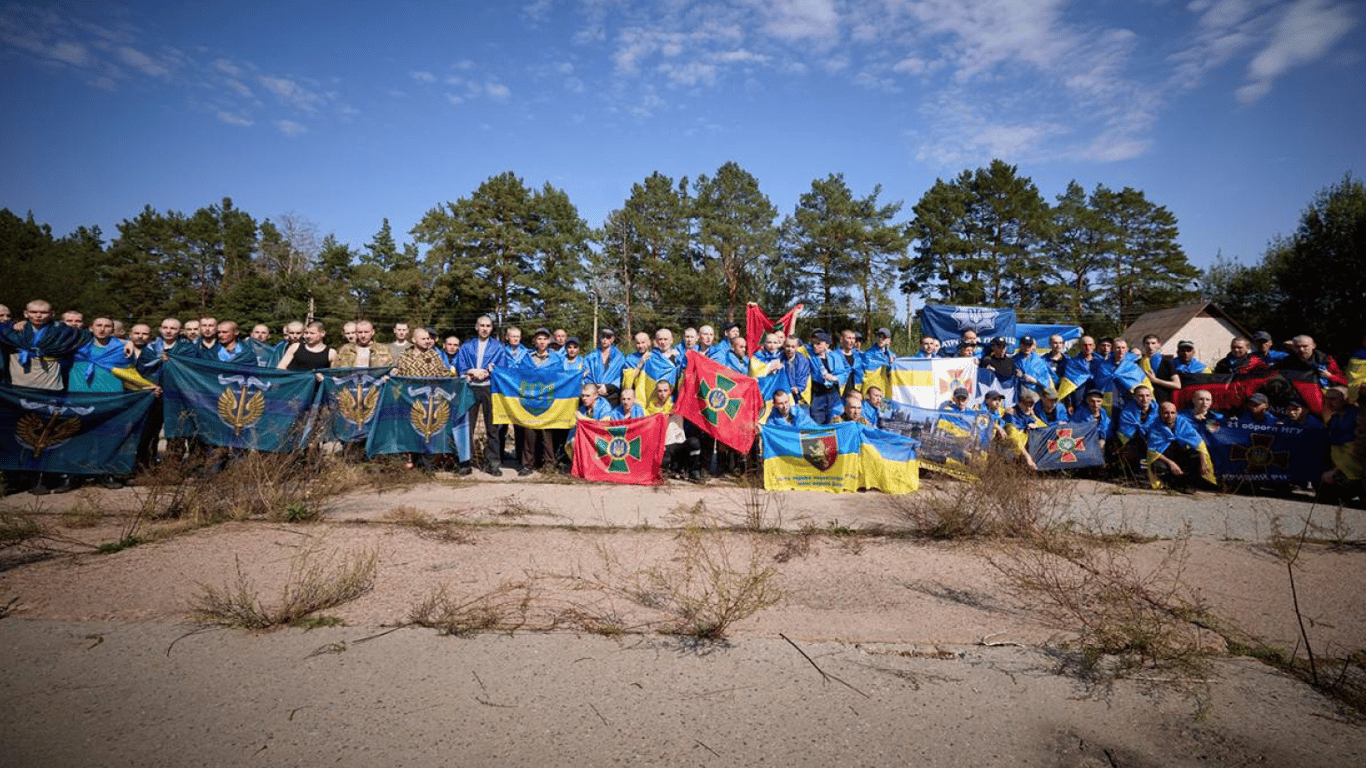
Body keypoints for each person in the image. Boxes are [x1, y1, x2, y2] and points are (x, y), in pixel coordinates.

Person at [454, 315, 509, 477]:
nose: (485, 328)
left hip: (489, 388)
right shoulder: (467, 346)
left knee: (493, 428)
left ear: (492, 328)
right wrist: (472, 371)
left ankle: (492, 463)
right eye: (482, 325)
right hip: (470, 388)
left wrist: (491, 370)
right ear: (476, 327)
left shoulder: (498, 347)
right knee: (466, 426)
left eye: (488, 326)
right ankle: (465, 462)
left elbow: (502, 367)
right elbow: (460, 365)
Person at [0, 299, 90, 391]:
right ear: (26, 314)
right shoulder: (10, 331)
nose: (38, 315)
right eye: (33, 312)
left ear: (52, 314)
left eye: (43, 312)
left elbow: (85, 335)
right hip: (19, 387)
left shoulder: (63, 332)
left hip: (50, 386)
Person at [1146, 402, 1215, 492]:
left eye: (1172, 413)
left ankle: (1189, 483)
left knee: (1198, 458)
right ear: (1160, 414)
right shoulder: (1154, 426)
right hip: (1166, 458)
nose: (1169, 416)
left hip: (1182, 455)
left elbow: (1199, 442)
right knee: (1157, 466)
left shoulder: (1183, 423)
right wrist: (1171, 463)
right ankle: (1173, 484)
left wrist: (1203, 462)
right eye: (1166, 413)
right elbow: (1152, 452)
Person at [807, 331, 849, 424]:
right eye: (813, 343)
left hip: (833, 393)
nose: (815, 346)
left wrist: (835, 378)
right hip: (818, 393)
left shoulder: (835, 357)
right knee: (818, 421)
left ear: (826, 345)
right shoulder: (809, 354)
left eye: (818, 343)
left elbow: (843, 373)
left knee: (835, 420)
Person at [1276, 334, 1347, 387]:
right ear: (1293, 347)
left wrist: (1330, 376)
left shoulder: (1325, 360)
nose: (1301, 350)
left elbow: (1344, 381)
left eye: (1305, 346)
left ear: (1313, 346)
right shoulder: (1286, 361)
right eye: (1297, 347)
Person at [585, 328, 624, 405]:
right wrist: (595, 388)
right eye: (603, 337)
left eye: (608, 337)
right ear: (599, 338)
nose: (605, 340)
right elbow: (586, 374)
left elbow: (621, 377)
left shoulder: (619, 357)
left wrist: (607, 387)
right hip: (594, 394)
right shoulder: (591, 356)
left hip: (612, 395)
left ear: (612, 339)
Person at [1138, 334, 1182, 403]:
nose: (1150, 346)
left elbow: (1177, 385)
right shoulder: (1139, 362)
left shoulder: (1167, 361)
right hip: (1144, 400)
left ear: (1158, 345)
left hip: (1163, 399)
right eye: (1147, 343)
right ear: (1143, 345)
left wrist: (1155, 380)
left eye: (1153, 343)